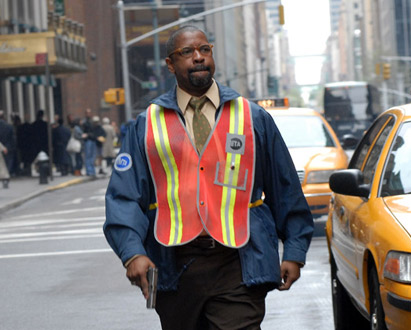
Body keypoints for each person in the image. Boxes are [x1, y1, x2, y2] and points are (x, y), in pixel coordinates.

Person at [103, 26, 314, 330]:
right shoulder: (146, 124)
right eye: (187, 52)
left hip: (239, 263)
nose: (198, 57)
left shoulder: (252, 117)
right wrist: (132, 252)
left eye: (205, 49)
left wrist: (294, 250)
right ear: (170, 64)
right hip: (175, 266)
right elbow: (125, 196)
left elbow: (285, 189)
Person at [81, 109, 97, 176]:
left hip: (92, 140)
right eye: (87, 113)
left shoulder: (91, 121)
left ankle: (92, 170)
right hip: (88, 140)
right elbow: (83, 132)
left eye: (90, 112)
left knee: (92, 156)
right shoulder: (84, 122)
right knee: (88, 156)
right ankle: (89, 171)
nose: (89, 114)